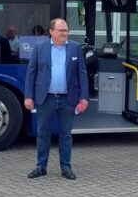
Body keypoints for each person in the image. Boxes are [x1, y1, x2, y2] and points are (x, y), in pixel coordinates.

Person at [24, 18, 89, 180]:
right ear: (51, 32)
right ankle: (41, 166)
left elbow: (82, 74)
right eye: (61, 30)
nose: (64, 33)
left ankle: (66, 167)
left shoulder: (75, 48)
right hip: (45, 99)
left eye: (66, 30)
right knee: (43, 133)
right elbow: (31, 73)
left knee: (66, 134)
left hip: (69, 99)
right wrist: (28, 96)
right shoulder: (39, 48)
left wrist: (85, 98)